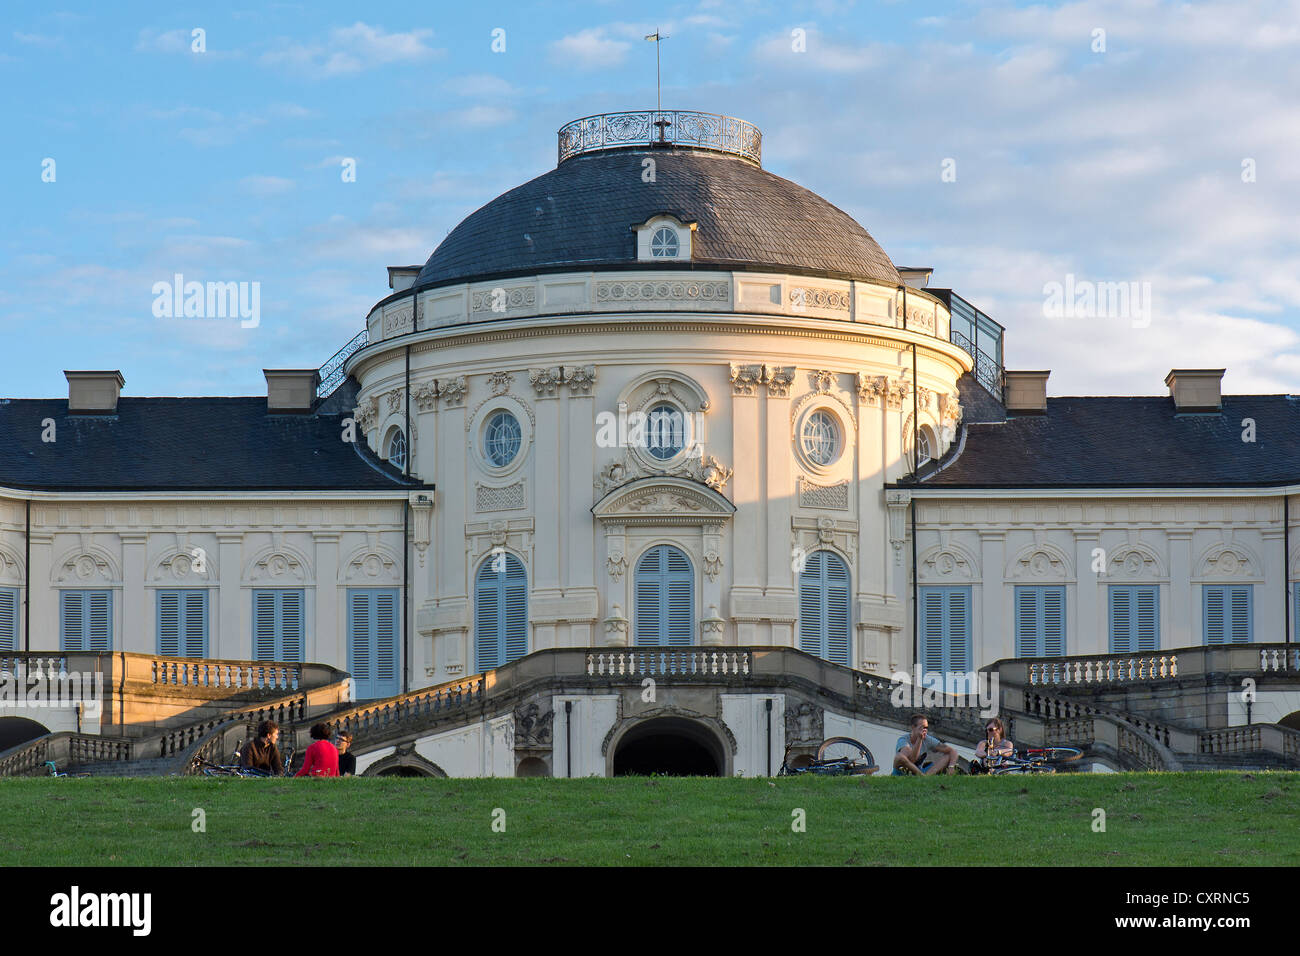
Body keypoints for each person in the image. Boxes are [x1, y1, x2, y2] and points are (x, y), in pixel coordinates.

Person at [892, 714, 958, 775]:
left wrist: (951, 767)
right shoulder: (904, 740)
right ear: (913, 727)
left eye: (926, 727)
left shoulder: (928, 739)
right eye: (922, 727)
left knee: (948, 755)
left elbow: (953, 751)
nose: (924, 730)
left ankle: (926, 777)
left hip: (919, 771)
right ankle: (921, 776)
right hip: (902, 772)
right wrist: (919, 739)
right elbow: (912, 760)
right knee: (899, 757)